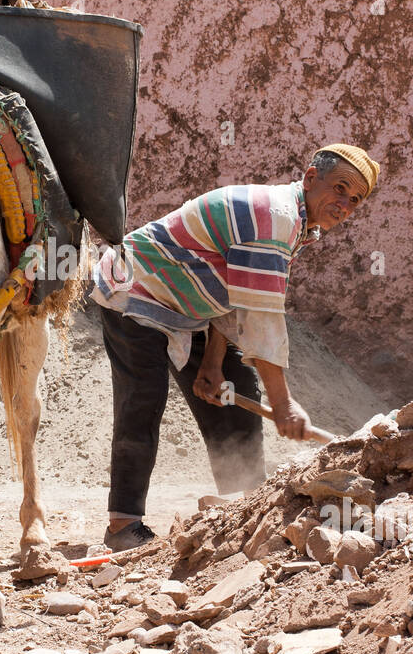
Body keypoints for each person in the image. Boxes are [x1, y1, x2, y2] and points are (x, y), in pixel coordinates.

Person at [90, 144, 380, 550]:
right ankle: (124, 524)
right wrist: (284, 404)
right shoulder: (274, 217)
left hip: (189, 304)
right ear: (311, 178)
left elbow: (234, 296)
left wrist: (213, 363)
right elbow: (260, 319)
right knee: (143, 398)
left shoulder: (296, 225)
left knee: (235, 388)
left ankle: (247, 505)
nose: (344, 204)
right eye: (339, 188)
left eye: (355, 200)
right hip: (137, 291)